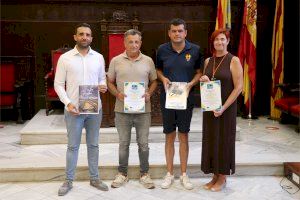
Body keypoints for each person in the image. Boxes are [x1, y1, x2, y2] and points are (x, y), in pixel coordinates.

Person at [54, 23, 109, 196]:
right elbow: (58, 84)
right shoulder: (65, 58)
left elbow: (102, 79)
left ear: (91, 38)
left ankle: (95, 178)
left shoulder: (98, 57)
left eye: (88, 34)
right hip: (74, 110)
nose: (85, 37)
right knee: (73, 146)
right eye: (81, 34)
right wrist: (68, 103)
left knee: (93, 145)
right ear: (75, 37)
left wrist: (103, 86)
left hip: (94, 108)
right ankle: (68, 180)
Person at [107, 29, 158, 189]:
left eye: (137, 42)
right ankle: (122, 173)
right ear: (125, 43)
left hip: (143, 111)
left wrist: (149, 92)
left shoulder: (148, 61)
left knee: (143, 143)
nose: (134, 45)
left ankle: (145, 174)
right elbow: (109, 82)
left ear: (140, 43)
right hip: (122, 110)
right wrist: (118, 94)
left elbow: (154, 81)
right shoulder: (116, 60)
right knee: (123, 143)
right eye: (130, 41)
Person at [156, 18, 203, 190]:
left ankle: (184, 174)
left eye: (180, 30)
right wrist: (163, 78)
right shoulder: (162, 50)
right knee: (169, 135)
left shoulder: (195, 50)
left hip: (186, 99)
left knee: (184, 135)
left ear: (185, 33)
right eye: (174, 31)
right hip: (168, 98)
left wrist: (191, 84)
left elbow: (199, 72)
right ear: (169, 33)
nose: (177, 33)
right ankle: (169, 174)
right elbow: (158, 69)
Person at [199, 28, 243, 192]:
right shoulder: (208, 61)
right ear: (213, 42)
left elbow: (238, 88)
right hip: (210, 109)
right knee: (212, 140)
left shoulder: (234, 60)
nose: (219, 42)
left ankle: (223, 177)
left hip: (226, 109)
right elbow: (207, 84)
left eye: (222, 39)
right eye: (216, 40)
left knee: (224, 140)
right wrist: (204, 80)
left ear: (228, 41)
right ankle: (215, 175)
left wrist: (223, 107)